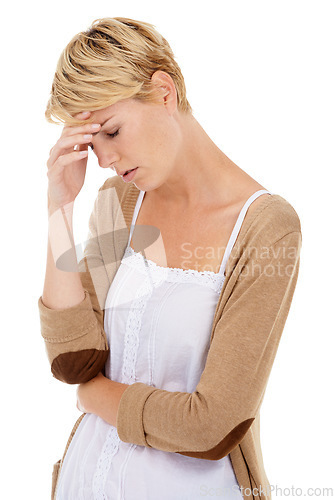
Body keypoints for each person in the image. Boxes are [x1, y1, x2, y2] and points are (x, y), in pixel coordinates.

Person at [38, 17, 302, 500]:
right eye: (92, 145)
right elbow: (74, 360)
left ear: (164, 92)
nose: (105, 160)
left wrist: (96, 396)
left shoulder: (266, 227)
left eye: (113, 131)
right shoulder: (118, 202)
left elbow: (214, 425)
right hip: (84, 484)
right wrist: (60, 209)